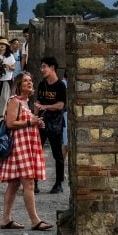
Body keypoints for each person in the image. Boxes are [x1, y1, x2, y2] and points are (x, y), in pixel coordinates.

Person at [0, 73, 51, 231]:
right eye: (25, 81)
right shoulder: (15, 100)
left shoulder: (26, 102)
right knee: (28, 183)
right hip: (19, 145)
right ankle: (35, 220)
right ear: (19, 85)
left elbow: (24, 122)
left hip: (26, 144)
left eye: (30, 80)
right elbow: (11, 123)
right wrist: (30, 122)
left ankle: (6, 219)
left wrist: (36, 124)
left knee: (14, 184)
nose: (29, 83)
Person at [34, 56, 67, 194]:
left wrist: (45, 107)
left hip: (55, 122)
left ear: (52, 68)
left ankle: (58, 183)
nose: (42, 70)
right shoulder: (42, 84)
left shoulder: (60, 86)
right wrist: (34, 118)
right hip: (41, 121)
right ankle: (34, 182)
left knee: (57, 154)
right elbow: (37, 103)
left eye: (44, 67)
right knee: (36, 152)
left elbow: (60, 105)